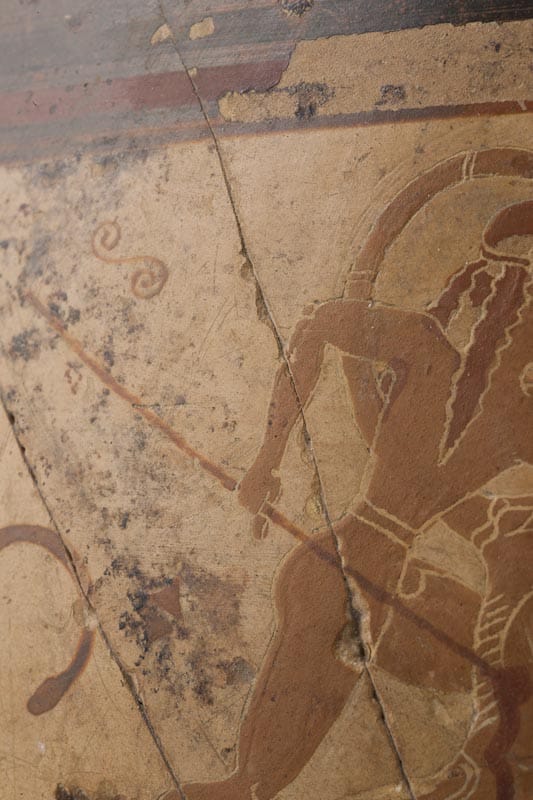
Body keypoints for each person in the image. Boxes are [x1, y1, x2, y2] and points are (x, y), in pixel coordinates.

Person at [184, 169, 533, 800]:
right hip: (353, 583)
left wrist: (268, 461)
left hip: (344, 572)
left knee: (252, 784)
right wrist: (265, 460)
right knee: (252, 784)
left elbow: (320, 325)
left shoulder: (434, 356)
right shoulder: (506, 417)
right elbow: (320, 324)